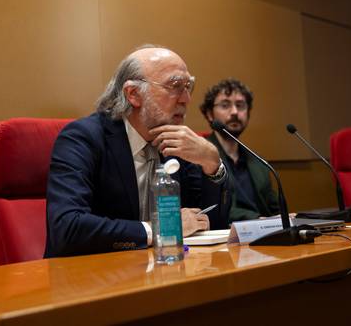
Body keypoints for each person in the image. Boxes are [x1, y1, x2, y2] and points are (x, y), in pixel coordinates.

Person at [45, 47, 229, 257]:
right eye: (176, 86)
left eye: (188, 87)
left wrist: (213, 165)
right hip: (88, 278)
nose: (186, 99)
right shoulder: (82, 139)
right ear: (133, 94)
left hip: (159, 272)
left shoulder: (178, 144)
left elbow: (212, 223)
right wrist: (158, 229)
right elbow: (67, 229)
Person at [199, 78, 279, 223]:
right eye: (225, 105)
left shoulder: (258, 161)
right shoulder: (200, 157)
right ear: (210, 114)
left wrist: (285, 219)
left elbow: (273, 207)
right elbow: (211, 207)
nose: (235, 112)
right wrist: (258, 220)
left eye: (240, 105)